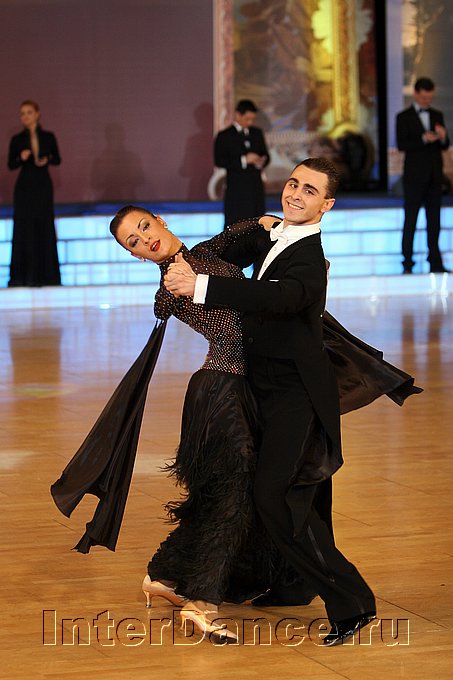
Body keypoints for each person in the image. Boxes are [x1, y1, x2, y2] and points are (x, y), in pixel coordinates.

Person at [51, 197, 421, 646]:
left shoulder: (204, 254)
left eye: (145, 226)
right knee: (236, 499)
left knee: (234, 494)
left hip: (248, 388)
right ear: (135, 255)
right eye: (134, 242)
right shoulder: (174, 283)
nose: (146, 239)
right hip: (223, 393)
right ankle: (201, 602)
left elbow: (240, 236)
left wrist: (266, 224)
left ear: (160, 220)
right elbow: (237, 314)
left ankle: (165, 575)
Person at [164, 158, 379, 646]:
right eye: (293, 183)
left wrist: (199, 286)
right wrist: (249, 227)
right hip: (265, 389)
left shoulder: (309, 260)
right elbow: (216, 251)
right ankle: (294, 584)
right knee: (299, 494)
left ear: (327, 205)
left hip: (297, 394)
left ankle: (353, 602)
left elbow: (278, 299)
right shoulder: (274, 236)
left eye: (310, 190)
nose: (296, 194)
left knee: (275, 495)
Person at [396, 77, 450, 274]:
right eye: (425, 97)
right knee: (410, 219)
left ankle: (435, 261)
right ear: (416, 94)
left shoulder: (437, 115)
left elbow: (445, 145)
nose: (428, 100)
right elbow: (402, 144)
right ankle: (407, 262)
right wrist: (422, 139)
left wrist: (443, 137)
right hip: (414, 177)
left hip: (435, 176)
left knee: (434, 220)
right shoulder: (403, 117)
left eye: (430, 97)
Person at [7, 100, 61, 287]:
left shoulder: (48, 137)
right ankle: (23, 276)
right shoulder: (17, 139)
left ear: (37, 114)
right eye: (22, 113)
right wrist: (21, 158)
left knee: (44, 226)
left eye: (29, 112)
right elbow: (11, 164)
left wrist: (47, 159)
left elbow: (57, 159)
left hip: (43, 185)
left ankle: (48, 276)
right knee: (25, 228)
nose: (25, 116)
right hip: (24, 187)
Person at [214, 99, 270, 229]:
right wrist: (244, 160)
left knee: (257, 225)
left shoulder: (257, 133)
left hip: (255, 188)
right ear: (238, 115)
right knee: (235, 226)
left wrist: (261, 161)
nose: (250, 122)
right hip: (236, 189)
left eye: (252, 119)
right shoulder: (224, 136)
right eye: (247, 119)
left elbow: (266, 155)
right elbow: (219, 160)